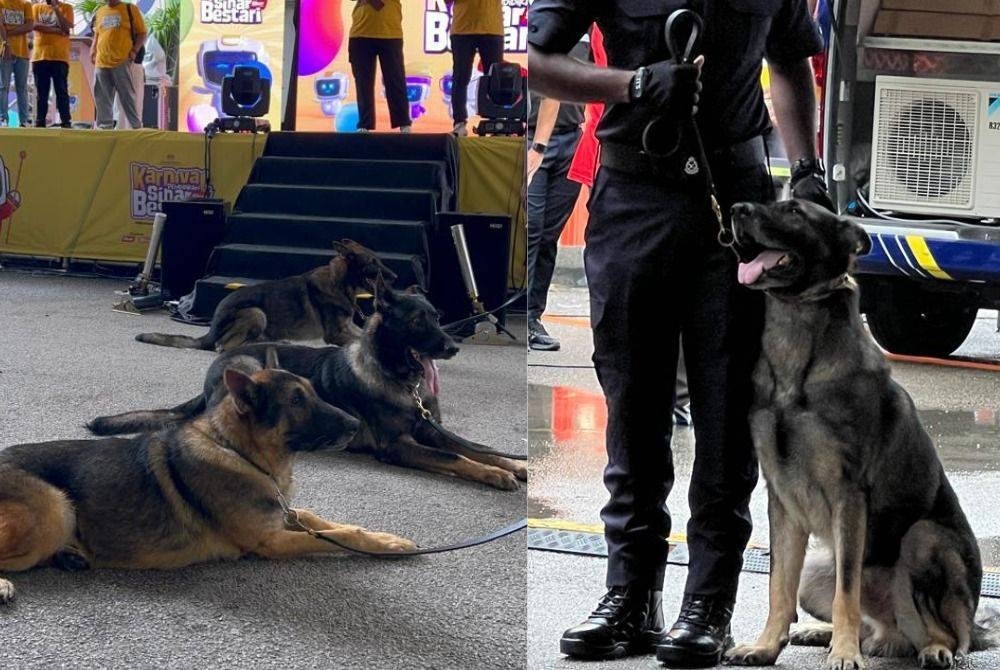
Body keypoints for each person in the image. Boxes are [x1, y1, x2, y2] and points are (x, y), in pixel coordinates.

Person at [529, 1, 833, 667]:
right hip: (632, 194)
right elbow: (540, 63)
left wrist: (808, 169)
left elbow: (790, 58)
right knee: (635, 405)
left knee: (727, 409)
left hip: (737, 202)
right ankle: (631, 596)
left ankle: (709, 604)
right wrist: (631, 84)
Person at [526, 37, 588, 352]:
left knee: (549, 235)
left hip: (571, 139)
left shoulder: (591, 29)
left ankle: (533, 317)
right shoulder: (543, 25)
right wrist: (537, 146)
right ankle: (521, 314)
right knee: (531, 230)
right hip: (532, 140)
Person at [348, 0, 411, 133]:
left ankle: (403, 122)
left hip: (390, 32)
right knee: (363, 83)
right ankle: (365, 124)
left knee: (395, 81)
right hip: (361, 32)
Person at [448, 0, 502, 137]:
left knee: (495, 79)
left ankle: (496, 123)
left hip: (491, 27)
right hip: (462, 28)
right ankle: (459, 123)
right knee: (460, 77)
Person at [91, 0, 145, 130]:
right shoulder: (100, 12)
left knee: (128, 97)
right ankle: (104, 128)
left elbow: (142, 33)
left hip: (122, 61)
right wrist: (93, 49)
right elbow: (97, 34)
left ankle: (136, 127)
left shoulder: (130, 9)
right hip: (101, 62)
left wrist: (134, 51)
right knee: (102, 98)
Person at [31, 0, 74, 128]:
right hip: (40, 56)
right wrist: (56, 30)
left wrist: (56, 9)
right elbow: (34, 25)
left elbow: (66, 28)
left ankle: (65, 121)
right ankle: (40, 121)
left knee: (61, 90)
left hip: (59, 56)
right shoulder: (36, 7)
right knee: (42, 92)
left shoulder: (67, 7)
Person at [0, 0, 33, 127]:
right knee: (3, 86)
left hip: (22, 52)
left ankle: (24, 121)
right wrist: (6, 43)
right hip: (4, 51)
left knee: (22, 88)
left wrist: (9, 31)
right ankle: (3, 118)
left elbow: (29, 26)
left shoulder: (26, 4)